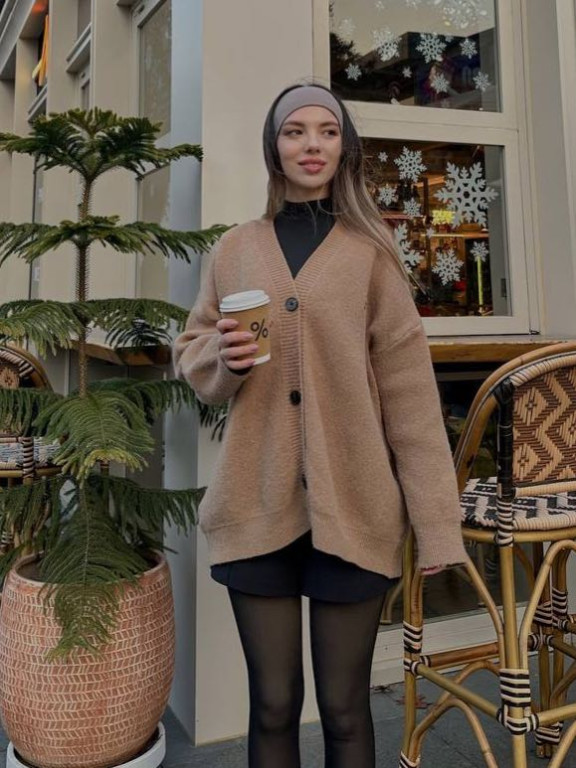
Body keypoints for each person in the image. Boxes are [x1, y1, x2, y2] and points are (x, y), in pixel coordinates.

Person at [173, 83, 467, 768]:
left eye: (327, 131)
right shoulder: (235, 248)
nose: (312, 144)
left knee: (344, 709)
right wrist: (223, 358)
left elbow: (411, 399)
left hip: (356, 507)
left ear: (345, 148)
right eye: (295, 131)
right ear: (273, 147)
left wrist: (436, 524)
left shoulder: (371, 254)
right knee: (273, 705)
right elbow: (192, 354)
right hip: (255, 503)